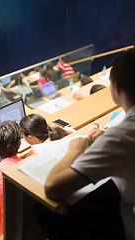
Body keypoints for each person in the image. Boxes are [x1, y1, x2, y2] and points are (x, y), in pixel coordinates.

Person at [43, 49, 135, 239]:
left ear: (116, 89)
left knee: (44, 212)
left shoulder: (123, 136)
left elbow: (52, 187)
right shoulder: (120, 136)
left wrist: (73, 152)